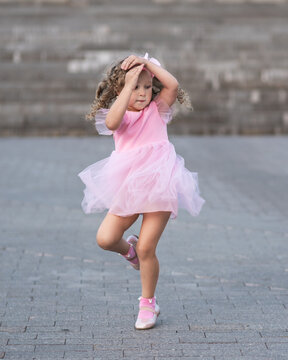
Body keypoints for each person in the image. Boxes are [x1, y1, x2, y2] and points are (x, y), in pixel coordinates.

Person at [78, 53, 205, 330]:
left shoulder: (157, 110)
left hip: (161, 183)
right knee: (106, 238)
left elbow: (172, 85)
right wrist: (128, 84)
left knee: (148, 247)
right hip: (129, 186)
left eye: (147, 87)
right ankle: (130, 253)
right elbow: (111, 123)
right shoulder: (120, 117)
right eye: (136, 87)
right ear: (121, 90)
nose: (143, 93)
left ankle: (148, 304)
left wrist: (147, 65)